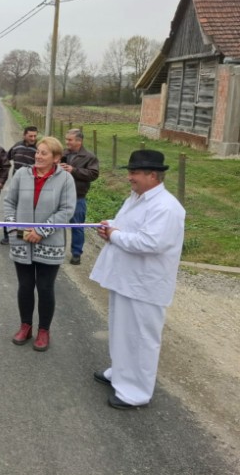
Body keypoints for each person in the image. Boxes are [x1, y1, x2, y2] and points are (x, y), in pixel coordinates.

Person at [90, 149, 185, 410]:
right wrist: (109, 225)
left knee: (141, 338)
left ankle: (136, 392)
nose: (129, 177)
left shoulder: (166, 207)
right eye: (130, 172)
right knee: (121, 332)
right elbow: (126, 225)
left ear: (152, 175)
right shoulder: (137, 197)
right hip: (127, 279)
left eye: (134, 173)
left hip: (146, 285)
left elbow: (150, 242)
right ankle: (121, 374)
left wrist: (114, 235)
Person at [3, 137, 76, 352]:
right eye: (37, 152)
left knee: (45, 288)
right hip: (21, 241)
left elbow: (66, 210)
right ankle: (25, 325)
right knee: (25, 286)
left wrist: (41, 231)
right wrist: (13, 228)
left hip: (50, 242)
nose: (38, 156)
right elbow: (9, 203)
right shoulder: (21, 174)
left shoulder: (65, 179)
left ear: (56, 158)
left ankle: (44, 330)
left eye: (44, 153)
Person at [61, 129, 100, 265]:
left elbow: (93, 174)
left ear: (79, 141)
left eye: (70, 140)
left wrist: (74, 170)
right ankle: (57, 249)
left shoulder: (89, 157)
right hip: (60, 196)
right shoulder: (63, 153)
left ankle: (76, 254)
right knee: (57, 224)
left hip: (78, 197)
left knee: (77, 226)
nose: (67, 142)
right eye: (66, 139)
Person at [1, 126, 38, 245]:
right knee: (10, 210)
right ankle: (7, 236)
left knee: (25, 213)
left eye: (35, 136)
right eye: (30, 136)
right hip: (15, 185)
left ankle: (22, 236)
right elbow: (5, 158)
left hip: (31, 187)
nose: (33, 138)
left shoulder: (38, 150)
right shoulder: (17, 146)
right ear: (24, 135)